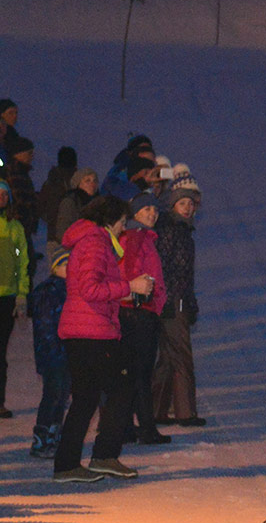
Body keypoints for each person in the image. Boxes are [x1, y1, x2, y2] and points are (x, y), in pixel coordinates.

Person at [54, 195, 147, 482]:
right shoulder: (95, 242)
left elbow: (92, 287)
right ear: (110, 219)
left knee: (85, 398)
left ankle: (66, 465)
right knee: (123, 385)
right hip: (92, 331)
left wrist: (125, 293)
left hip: (81, 330)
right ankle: (104, 455)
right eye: (122, 221)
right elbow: (90, 289)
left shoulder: (90, 241)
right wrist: (129, 286)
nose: (123, 228)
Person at [117, 193, 169, 445]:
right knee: (141, 372)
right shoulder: (136, 237)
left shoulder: (142, 237)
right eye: (146, 209)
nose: (152, 214)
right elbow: (129, 272)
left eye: (155, 210)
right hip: (138, 311)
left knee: (131, 371)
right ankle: (146, 428)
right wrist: (143, 300)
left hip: (135, 310)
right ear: (134, 213)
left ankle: (127, 427)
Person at [153, 182, 205, 427]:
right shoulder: (171, 230)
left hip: (178, 300)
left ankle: (157, 409)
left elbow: (186, 276)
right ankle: (185, 412)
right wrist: (167, 300)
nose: (187, 208)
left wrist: (190, 302)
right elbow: (163, 267)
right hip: (172, 302)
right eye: (182, 203)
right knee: (182, 355)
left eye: (190, 204)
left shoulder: (183, 231)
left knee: (168, 356)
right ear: (172, 205)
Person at [27, 244, 71, 458]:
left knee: (62, 395)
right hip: (52, 353)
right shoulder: (49, 291)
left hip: (65, 352)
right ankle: (41, 437)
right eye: (67, 265)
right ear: (56, 267)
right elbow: (45, 325)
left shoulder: (68, 289)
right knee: (52, 394)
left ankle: (54, 433)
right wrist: (54, 348)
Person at [0, 183, 26, 417]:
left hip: (6, 296)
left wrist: (21, 294)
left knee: (0, 353)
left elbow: (22, 262)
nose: (1, 198)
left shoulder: (15, 227)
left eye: (4, 194)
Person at [49, 168, 97, 246]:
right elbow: (62, 231)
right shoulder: (70, 201)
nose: (92, 184)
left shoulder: (97, 202)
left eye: (95, 181)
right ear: (78, 184)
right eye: (87, 181)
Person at [38, 146, 77, 224]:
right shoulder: (80, 181)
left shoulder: (50, 182)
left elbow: (41, 206)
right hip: (76, 227)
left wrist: (51, 219)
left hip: (55, 227)